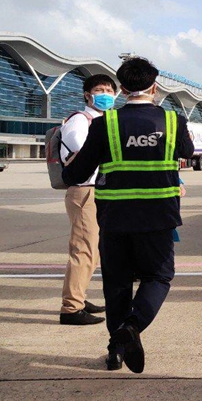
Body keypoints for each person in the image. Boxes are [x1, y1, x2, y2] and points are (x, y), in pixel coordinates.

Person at [62, 57, 195, 373]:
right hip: (158, 218)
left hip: (115, 219)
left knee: (117, 285)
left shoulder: (104, 124)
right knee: (158, 277)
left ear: (121, 89)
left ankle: (116, 352)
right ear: (155, 87)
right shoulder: (173, 121)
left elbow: (75, 174)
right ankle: (132, 327)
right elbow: (188, 152)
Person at [58, 73, 118, 326]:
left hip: (98, 191)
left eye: (109, 91)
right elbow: (85, 154)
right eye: (100, 90)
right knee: (83, 249)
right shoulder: (80, 121)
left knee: (94, 250)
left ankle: (79, 298)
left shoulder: (103, 121)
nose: (105, 95)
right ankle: (71, 308)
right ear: (87, 95)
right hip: (85, 191)